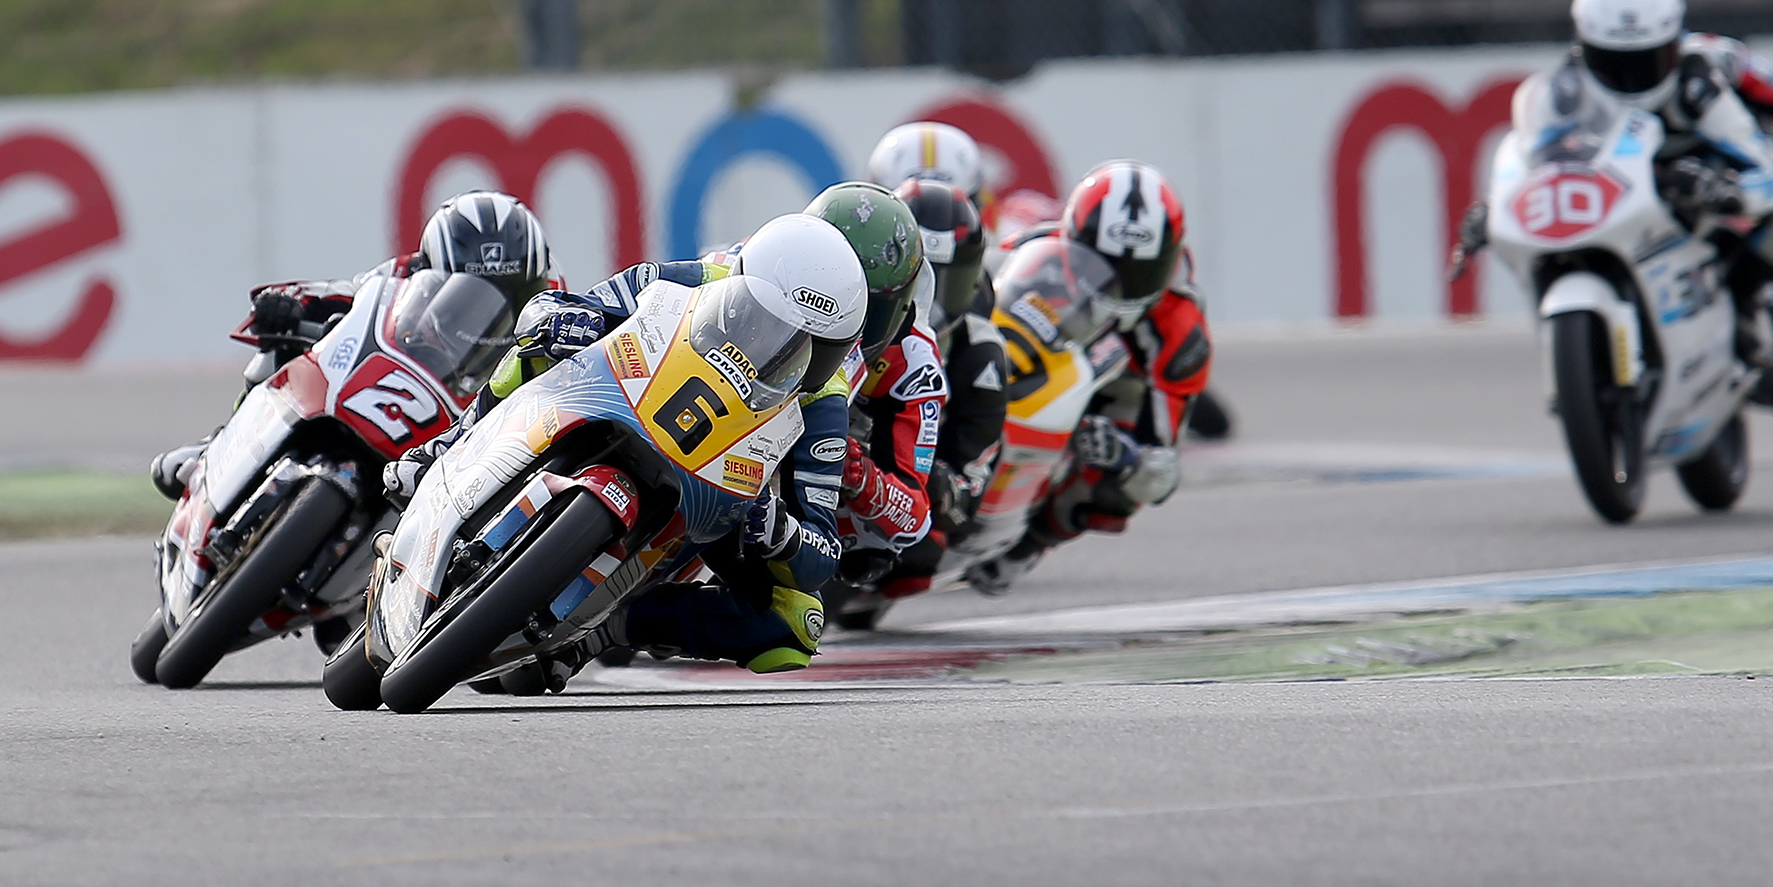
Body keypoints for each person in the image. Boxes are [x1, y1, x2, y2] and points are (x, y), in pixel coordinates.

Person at [400, 210, 872, 682]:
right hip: (627, 398)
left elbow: (821, 551)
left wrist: (782, 533)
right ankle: (451, 443)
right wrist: (569, 320)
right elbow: (554, 307)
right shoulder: (696, 278)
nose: (785, 350)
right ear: (739, 286)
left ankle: (609, 627)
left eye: (812, 346)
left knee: (799, 623)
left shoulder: (824, 402)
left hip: (719, 492)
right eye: (767, 324)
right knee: (538, 349)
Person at [1546, 0, 1773, 360]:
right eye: (1612, 62)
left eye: (1647, 61)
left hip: (1727, 168)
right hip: (1635, 188)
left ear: (1674, 41)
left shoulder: (1716, 60)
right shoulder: (1568, 89)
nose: (1630, 78)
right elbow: (1542, 153)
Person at [149, 190, 552, 501]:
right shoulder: (402, 274)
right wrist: (288, 306)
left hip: (470, 433)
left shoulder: (552, 304)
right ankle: (220, 447)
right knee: (287, 350)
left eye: (506, 296)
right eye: (463, 297)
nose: (483, 315)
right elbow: (345, 295)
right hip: (404, 388)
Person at [964, 159, 1212, 595]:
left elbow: (1161, 465)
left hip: (1121, 386)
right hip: (1050, 346)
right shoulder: (1034, 250)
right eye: (1102, 261)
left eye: (1140, 271)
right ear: (1071, 237)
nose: (1121, 283)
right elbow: (971, 298)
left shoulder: (1181, 328)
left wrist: (1123, 454)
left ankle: (1031, 543)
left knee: (1135, 480)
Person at [827, 175, 1006, 622]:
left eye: (948, 282)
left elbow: (966, 496)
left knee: (925, 547)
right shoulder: (850, 313)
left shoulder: (979, 353)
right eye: (923, 277)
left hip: (902, 479)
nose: (932, 300)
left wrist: (935, 484)